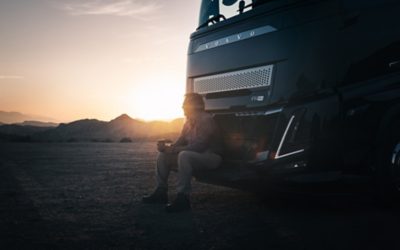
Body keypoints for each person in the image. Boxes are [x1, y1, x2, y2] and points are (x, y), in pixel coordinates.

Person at [142, 93, 223, 212]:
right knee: (163, 155)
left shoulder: (206, 120)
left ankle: (183, 198)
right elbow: (180, 141)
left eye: (185, 104)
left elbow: (200, 146)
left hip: (212, 157)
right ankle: (161, 192)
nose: (182, 107)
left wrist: (175, 150)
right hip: (195, 155)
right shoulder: (188, 122)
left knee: (184, 155)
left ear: (195, 106)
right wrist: (167, 148)